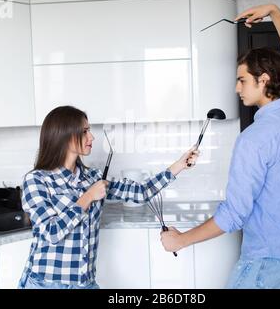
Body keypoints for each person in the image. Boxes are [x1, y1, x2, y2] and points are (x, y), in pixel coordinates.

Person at [160, 4, 280, 289]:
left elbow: (234, 215)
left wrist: (182, 239)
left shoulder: (254, 139)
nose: (237, 89)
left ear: (264, 80)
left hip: (266, 261)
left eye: (242, 80)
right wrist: (274, 12)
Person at [18, 105, 199, 289]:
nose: (92, 137)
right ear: (65, 135)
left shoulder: (93, 178)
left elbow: (141, 192)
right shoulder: (37, 180)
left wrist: (179, 165)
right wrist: (88, 196)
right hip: (46, 284)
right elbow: (51, 233)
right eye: (85, 131)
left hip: (85, 283)